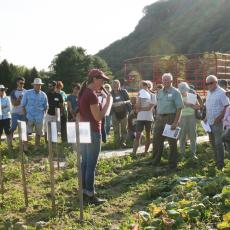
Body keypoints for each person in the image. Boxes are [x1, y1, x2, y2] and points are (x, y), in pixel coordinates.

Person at [78, 68, 111, 205]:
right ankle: (90, 194)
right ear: (95, 79)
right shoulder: (91, 95)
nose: (103, 82)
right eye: (101, 79)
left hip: (85, 130)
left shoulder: (83, 92)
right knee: (91, 165)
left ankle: (84, 191)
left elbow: (80, 114)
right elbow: (98, 117)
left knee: (85, 163)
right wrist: (107, 102)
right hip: (92, 131)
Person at [152, 73, 183, 170]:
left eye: (167, 80)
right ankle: (156, 160)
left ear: (171, 81)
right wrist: (156, 117)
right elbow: (158, 106)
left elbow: (179, 108)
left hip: (171, 118)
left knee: (172, 142)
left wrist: (175, 122)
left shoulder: (176, 92)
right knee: (157, 140)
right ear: (162, 81)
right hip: (159, 118)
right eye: (164, 80)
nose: (165, 81)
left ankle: (173, 164)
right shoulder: (160, 92)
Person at [205, 75, 229, 170]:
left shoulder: (222, 93)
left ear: (215, 83)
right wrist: (206, 117)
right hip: (210, 122)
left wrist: (219, 117)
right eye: (207, 84)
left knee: (218, 143)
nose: (208, 85)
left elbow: (227, 106)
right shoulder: (209, 93)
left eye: (210, 83)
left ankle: (220, 164)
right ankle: (217, 160)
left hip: (219, 122)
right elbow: (208, 106)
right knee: (213, 143)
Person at [21, 78, 48, 151]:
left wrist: (44, 116)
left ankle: (36, 147)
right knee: (26, 132)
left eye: (39, 85)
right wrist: (25, 116)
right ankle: (25, 147)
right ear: (34, 85)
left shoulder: (43, 94)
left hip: (39, 117)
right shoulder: (27, 93)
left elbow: (46, 106)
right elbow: (23, 105)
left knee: (38, 133)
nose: (38, 86)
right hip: (29, 116)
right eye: (36, 85)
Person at [132, 81, 156, 157]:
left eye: (142, 86)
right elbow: (137, 108)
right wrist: (139, 98)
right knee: (138, 135)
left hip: (149, 118)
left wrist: (141, 108)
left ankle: (145, 152)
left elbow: (149, 108)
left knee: (148, 135)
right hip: (140, 118)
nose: (141, 88)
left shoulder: (153, 95)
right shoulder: (140, 95)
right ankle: (134, 153)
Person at [178, 82, 200, 159]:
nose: (183, 92)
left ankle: (193, 154)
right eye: (182, 90)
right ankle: (182, 154)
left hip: (192, 117)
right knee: (182, 137)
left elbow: (198, 107)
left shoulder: (192, 96)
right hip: (181, 118)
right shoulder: (178, 97)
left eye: (185, 90)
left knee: (193, 136)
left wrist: (191, 105)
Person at [111, 80, 131, 148]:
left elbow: (129, 100)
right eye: (113, 85)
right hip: (114, 113)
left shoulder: (123, 91)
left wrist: (123, 102)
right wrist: (112, 104)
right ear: (112, 86)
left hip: (124, 112)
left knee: (124, 129)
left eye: (116, 85)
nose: (115, 86)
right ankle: (117, 143)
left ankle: (123, 142)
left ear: (119, 85)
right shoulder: (110, 93)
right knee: (116, 129)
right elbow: (108, 103)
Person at [10, 77, 27, 142]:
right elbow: (14, 104)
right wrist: (19, 99)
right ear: (17, 83)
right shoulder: (13, 92)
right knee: (13, 127)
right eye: (20, 83)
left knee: (23, 129)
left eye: (23, 83)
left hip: (23, 113)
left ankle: (22, 143)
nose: (22, 84)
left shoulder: (26, 92)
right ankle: (10, 141)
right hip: (15, 113)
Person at [0, 85, 12, 149]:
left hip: (7, 118)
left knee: (8, 133)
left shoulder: (7, 98)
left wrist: (2, 108)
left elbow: (9, 108)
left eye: (3, 90)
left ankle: (9, 147)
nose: (2, 91)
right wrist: (4, 107)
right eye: (1, 90)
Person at [222, 90, 230, 159]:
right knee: (228, 147)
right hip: (227, 130)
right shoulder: (228, 107)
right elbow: (224, 119)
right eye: (228, 96)